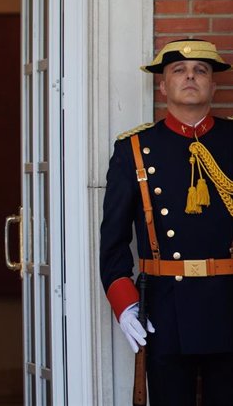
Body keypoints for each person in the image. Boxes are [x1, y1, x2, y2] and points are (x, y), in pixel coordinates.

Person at [100, 39, 233, 405]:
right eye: (178, 71)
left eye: (200, 71)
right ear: (162, 86)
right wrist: (126, 304)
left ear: (213, 85)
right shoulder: (133, 149)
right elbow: (112, 241)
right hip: (165, 309)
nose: (190, 76)